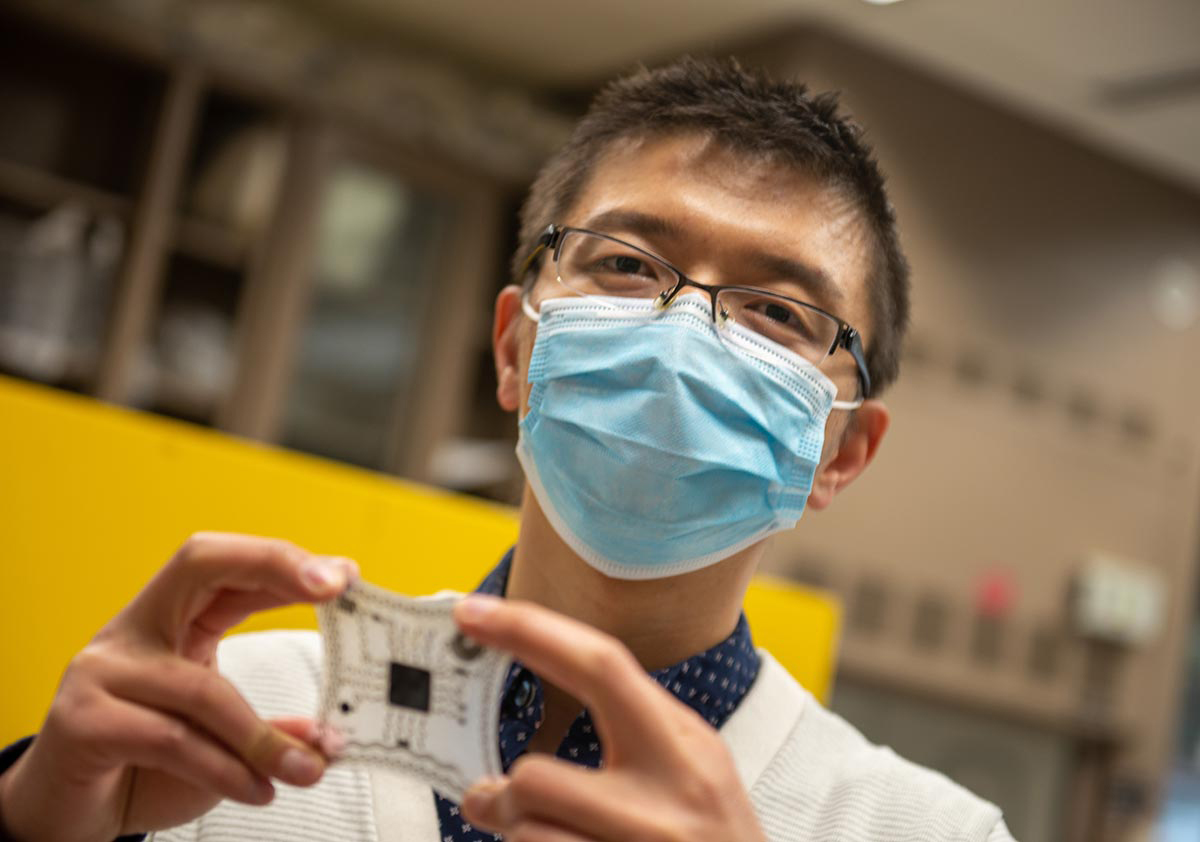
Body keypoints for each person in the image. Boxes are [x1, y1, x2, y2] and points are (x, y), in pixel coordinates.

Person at [0, 57, 1016, 842]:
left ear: (842, 450)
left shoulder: (920, 828)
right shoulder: (234, 710)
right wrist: (34, 818)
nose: (684, 339)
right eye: (625, 261)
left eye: (781, 313)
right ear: (515, 346)